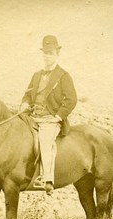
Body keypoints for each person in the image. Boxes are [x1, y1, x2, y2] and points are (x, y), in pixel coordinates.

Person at [20, 35, 77, 195]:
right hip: (32, 117)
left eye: (51, 53)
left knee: (45, 141)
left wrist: (58, 116)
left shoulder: (63, 76)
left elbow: (71, 99)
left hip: (50, 119)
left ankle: (47, 179)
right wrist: (25, 104)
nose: (47, 56)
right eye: (45, 53)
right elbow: (27, 95)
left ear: (57, 54)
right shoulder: (36, 75)